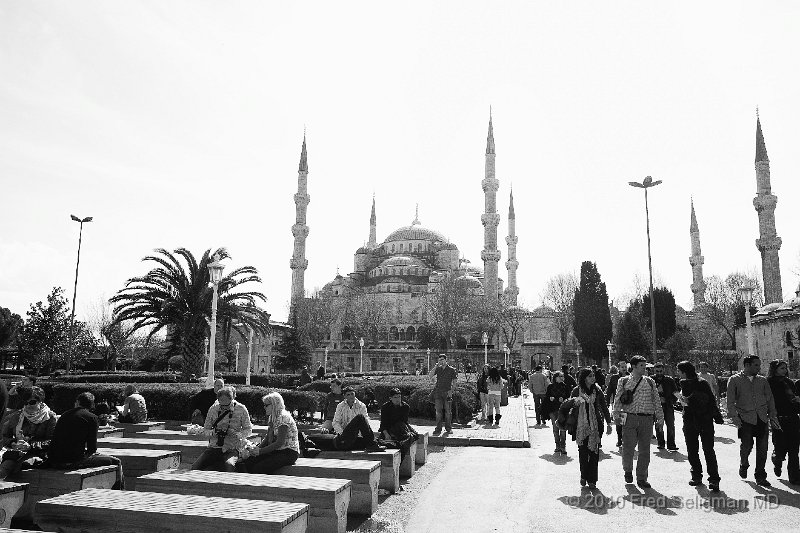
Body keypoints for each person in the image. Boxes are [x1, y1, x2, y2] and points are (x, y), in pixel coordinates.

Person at [45, 392, 124, 489]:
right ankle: (119, 491)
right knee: (117, 461)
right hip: (73, 460)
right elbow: (92, 448)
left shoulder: (64, 415)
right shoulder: (92, 418)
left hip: (54, 459)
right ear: (92, 404)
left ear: (77, 402)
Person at [727, 355, 780, 486]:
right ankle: (743, 463)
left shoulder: (762, 381)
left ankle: (760, 475)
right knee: (747, 446)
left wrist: (772, 413)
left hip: (762, 418)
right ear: (747, 365)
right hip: (745, 419)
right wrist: (734, 417)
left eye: (759, 365)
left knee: (762, 448)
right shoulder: (734, 380)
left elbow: (770, 398)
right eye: (756, 365)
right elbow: (730, 401)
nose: (759, 368)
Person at [613, 355, 664, 488]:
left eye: (645, 365)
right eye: (641, 365)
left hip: (647, 418)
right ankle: (628, 470)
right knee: (628, 447)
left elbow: (656, 400)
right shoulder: (623, 381)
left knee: (644, 450)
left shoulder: (650, 382)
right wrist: (616, 414)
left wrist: (660, 417)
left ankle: (642, 477)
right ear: (634, 366)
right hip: (629, 417)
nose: (644, 368)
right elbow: (618, 399)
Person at [676, 360, 722, 492]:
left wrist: (717, 416)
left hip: (704, 420)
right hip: (690, 419)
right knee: (692, 450)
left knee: (708, 450)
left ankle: (714, 479)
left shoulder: (702, 383)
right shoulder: (683, 383)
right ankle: (696, 475)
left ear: (684, 372)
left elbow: (711, 400)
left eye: (679, 371)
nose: (678, 374)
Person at [0, 386, 57, 479]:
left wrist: (30, 445)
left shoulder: (50, 418)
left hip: (38, 453)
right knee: (6, 467)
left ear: (40, 402)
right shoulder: (18, 416)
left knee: (19, 466)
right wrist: (13, 443)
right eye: (25, 403)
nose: (28, 406)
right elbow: (5, 436)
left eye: (32, 402)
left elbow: (52, 441)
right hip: (17, 452)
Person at [191, 386, 252, 472]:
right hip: (214, 447)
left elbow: (248, 430)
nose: (224, 408)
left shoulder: (241, 409)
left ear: (232, 399)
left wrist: (238, 434)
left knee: (229, 465)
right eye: (221, 405)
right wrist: (214, 432)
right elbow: (206, 430)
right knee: (195, 467)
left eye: (227, 405)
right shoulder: (213, 409)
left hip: (232, 448)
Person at [236, 392, 299, 474]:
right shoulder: (272, 417)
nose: (264, 407)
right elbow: (268, 437)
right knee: (249, 461)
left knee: (259, 468)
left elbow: (279, 443)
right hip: (278, 451)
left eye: (266, 405)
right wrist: (256, 449)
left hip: (288, 452)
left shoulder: (283, 417)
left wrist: (260, 451)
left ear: (274, 405)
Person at [306, 387, 385, 451]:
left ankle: (371, 444)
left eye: (352, 394)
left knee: (362, 418)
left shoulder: (362, 406)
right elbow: (335, 422)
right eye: (348, 394)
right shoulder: (340, 406)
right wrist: (342, 434)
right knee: (360, 417)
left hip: (357, 436)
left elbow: (366, 422)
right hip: (344, 435)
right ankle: (372, 444)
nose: (351, 396)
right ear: (345, 396)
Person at [570, 369, 612, 489]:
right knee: (583, 452)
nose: (593, 378)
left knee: (594, 451)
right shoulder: (576, 391)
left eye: (593, 375)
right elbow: (571, 407)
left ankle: (592, 479)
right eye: (590, 376)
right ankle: (584, 475)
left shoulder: (597, 390)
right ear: (584, 378)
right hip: (581, 426)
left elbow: (603, 406)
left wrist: (609, 422)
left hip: (596, 425)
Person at [766, 359, 800, 485]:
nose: (785, 370)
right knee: (780, 447)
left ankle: (794, 476)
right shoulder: (768, 383)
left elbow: (794, 400)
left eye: (785, 368)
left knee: (794, 449)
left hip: (792, 418)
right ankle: (777, 460)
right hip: (777, 419)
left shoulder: (789, 382)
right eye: (782, 368)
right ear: (774, 369)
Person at [379, 388, 417, 461]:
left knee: (411, 437)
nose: (398, 399)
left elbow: (404, 422)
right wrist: (386, 434)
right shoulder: (385, 407)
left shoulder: (405, 406)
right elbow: (383, 423)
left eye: (399, 397)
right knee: (384, 442)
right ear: (390, 398)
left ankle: (400, 460)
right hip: (388, 428)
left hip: (400, 427)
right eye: (395, 397)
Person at [652, 362, 679, 452]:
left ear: (663, 370)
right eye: (657, 371)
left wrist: (672, 401)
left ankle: (671, 444)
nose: (659, 373)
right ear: (654, 370)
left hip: (668, 406)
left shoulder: (669, 380)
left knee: (670, 425)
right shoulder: (651, 380)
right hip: (656, 407)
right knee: (659, 425)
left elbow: (676, 392)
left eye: (660, 371)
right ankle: (661, 443)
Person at [430, 354, 457, 435]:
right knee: (438, 412)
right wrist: (435, 366)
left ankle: (448, 428)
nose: (441, 361)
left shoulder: (451, 370)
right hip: (438, 392)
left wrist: (451, 391)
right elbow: (430, 375)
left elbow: (454, 382)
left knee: (448, 412)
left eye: (442, 359)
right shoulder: (438, 369)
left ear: (446, 360)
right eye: (440, 360)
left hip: (447, 392)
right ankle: (438, 428)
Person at [545, 371, 570, 454]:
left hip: (563, 410)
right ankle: (557, 445)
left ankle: (563, 446)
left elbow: (568, 397)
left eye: (563, 376)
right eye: (560, 376)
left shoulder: (565, 386)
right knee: (555, 428)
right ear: (555, 377)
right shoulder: (550, 387)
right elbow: (546, 397)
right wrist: (550, 398)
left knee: (563, 428)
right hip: (553, 409)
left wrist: (564, 398)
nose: (562, 378)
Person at [605, 365, 625, 447]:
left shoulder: (630, 376)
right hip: (618, 404)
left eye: (625, 367)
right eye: (622, 367)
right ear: (619, 369)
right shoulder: (614, 378)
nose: (624, 368)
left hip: (629, 404)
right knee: (619, 423)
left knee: (627, 423)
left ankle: (625, 440)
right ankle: (620, 439)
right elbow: (609, 390)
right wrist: (607, 402)